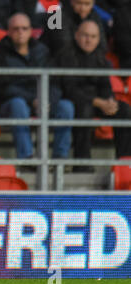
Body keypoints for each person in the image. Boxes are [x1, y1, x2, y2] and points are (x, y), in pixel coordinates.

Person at [0, 13, 74, 164]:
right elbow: (1, 88)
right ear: (8, 31)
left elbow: (55, 82)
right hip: (12, 106)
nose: (20, 32)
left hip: (42, 102)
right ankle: (26, 157)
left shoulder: (42, 51)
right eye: (16, 29)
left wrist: (46, 100)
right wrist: (32, 100)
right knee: (18, 104)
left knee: (66, 107)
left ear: (30, 31)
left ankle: (60, 159)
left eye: (24, 28)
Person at [54, 19, 131, 171]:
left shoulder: (101, 58)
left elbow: (105, 86)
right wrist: (97, 102)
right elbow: (69, 89)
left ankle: (124, 163)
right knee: (84, 111)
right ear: (76, 35)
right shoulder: (66, 56)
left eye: (93, 36)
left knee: (124, 110)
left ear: (98, 38)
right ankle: (82, 165)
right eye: (85, 35)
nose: (89, 40)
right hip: (74, 102)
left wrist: (109, 101)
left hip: (98, 102)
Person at [39, 0, 107, 57]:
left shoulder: (95, 17)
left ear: (93, 4)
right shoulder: (57, 17)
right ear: (72, 2)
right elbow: (62, 47)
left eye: (87, 4)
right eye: (79, 3)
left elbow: (102, 46)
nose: (82, 8)